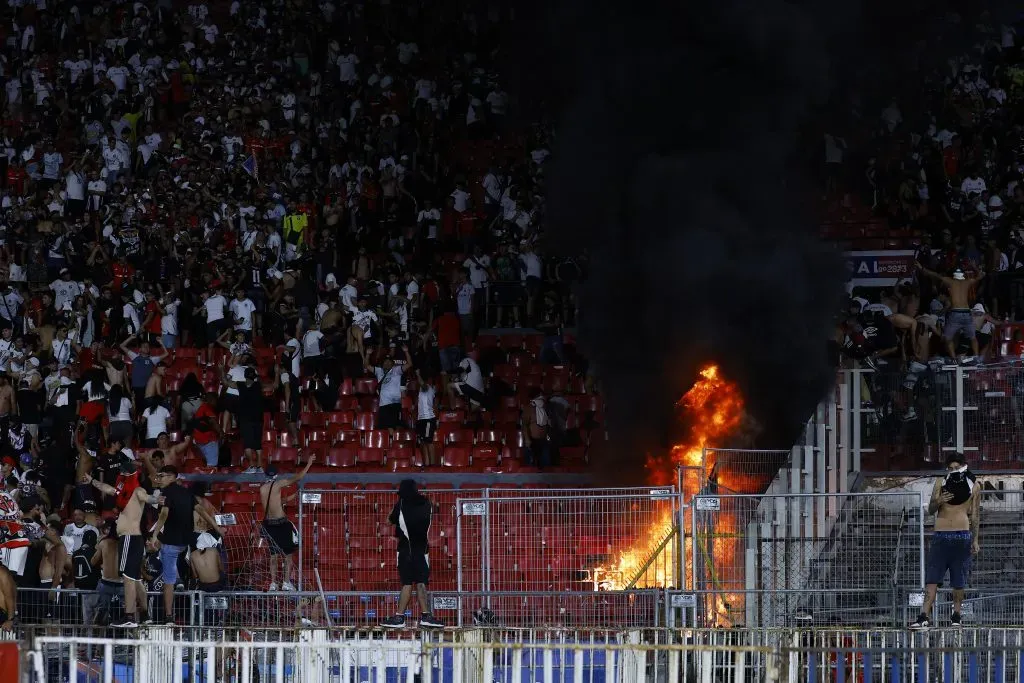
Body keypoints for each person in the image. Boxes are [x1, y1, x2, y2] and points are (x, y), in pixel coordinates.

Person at [83, 451, 160, 627]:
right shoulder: (123, 492)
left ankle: (129, 616)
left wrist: (158, 496)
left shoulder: (137, 490)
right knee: (134, 578)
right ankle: (142, 615)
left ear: (127, 474)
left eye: (123, 473)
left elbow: (149, 498)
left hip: (129, 538)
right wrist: (92, 481)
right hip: (134, 539)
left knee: (128, 577)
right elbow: (107, 488)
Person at [910, 454, 981, 629]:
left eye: (956, 467)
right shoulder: (940, 483)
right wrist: (939, 500)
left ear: (963, 466)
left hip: (962, 535)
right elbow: (931, 509)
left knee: (959, 580)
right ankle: (924, 616)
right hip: (940, 535)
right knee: (932, 580)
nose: (952, 471)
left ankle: (956, 616)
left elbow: (976, 514)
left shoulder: (974, 485)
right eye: (950, 468)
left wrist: (976, 539)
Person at [381, 480, 442, 629]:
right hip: (422, 550)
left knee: (407, 583)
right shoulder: (427, 504)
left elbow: (388, 521)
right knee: (421, 582)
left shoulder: (401, 504)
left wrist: (395, 508)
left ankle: (399, 618)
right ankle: (426, 616)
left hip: (405, 551)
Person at [260, 457, 315, 591]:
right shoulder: (278, 484)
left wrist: (293, 496)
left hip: (269, 525)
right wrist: (309, 463)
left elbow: (276, 502)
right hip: (281, 524)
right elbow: (298, 477)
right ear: (276, 475)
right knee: (288, 555)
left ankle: (273, 583)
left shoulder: (262, 489)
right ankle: (285, 582)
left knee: (273, 556)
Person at [150, 466, 196, 625]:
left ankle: (169, 616)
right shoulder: (185, 493)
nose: (159, 479)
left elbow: (163, 515)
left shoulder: (168, 493)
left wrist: (155, 535)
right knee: (180, 577)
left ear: (171, 477)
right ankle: (179, 580)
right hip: (185, 542)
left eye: (161, 476)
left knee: (168, 581)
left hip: (171, 542)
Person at [368, 345, 413, 436]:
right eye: (385, 362)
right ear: (382, 363)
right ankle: (390, 445)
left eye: (389, 362)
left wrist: (406, 352)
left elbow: (409, 364)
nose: (387, 364)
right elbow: (366, 365)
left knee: (392, 426)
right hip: (383, 405)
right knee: (384, 427)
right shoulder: (379, 371)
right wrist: (367, 354)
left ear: (392, 364)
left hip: (394, 404)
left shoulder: (396, 370)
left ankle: (394, 445)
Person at [72, 529, 101, 626]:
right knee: (96, 621)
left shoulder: (75, 553)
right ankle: (96, 640)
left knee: (85, 621)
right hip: (94, 589)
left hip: (79, 590)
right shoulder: (95, 553)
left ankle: (86, 640)